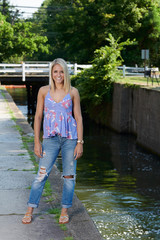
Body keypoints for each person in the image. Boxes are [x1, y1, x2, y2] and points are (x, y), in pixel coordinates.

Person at [22, 58, 83, 224]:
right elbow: (38, 116)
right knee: (41, 176)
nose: (58, 75)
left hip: (70, 139)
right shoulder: (43, 91)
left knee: (69, 176)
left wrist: (80, 142)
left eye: (61, 71)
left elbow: (78, 117)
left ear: (65, 73)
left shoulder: (73, 92)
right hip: (50, 139)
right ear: (51, 73)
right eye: (55, 71)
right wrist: (36, 141)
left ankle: (64, 210)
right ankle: (29, 209)